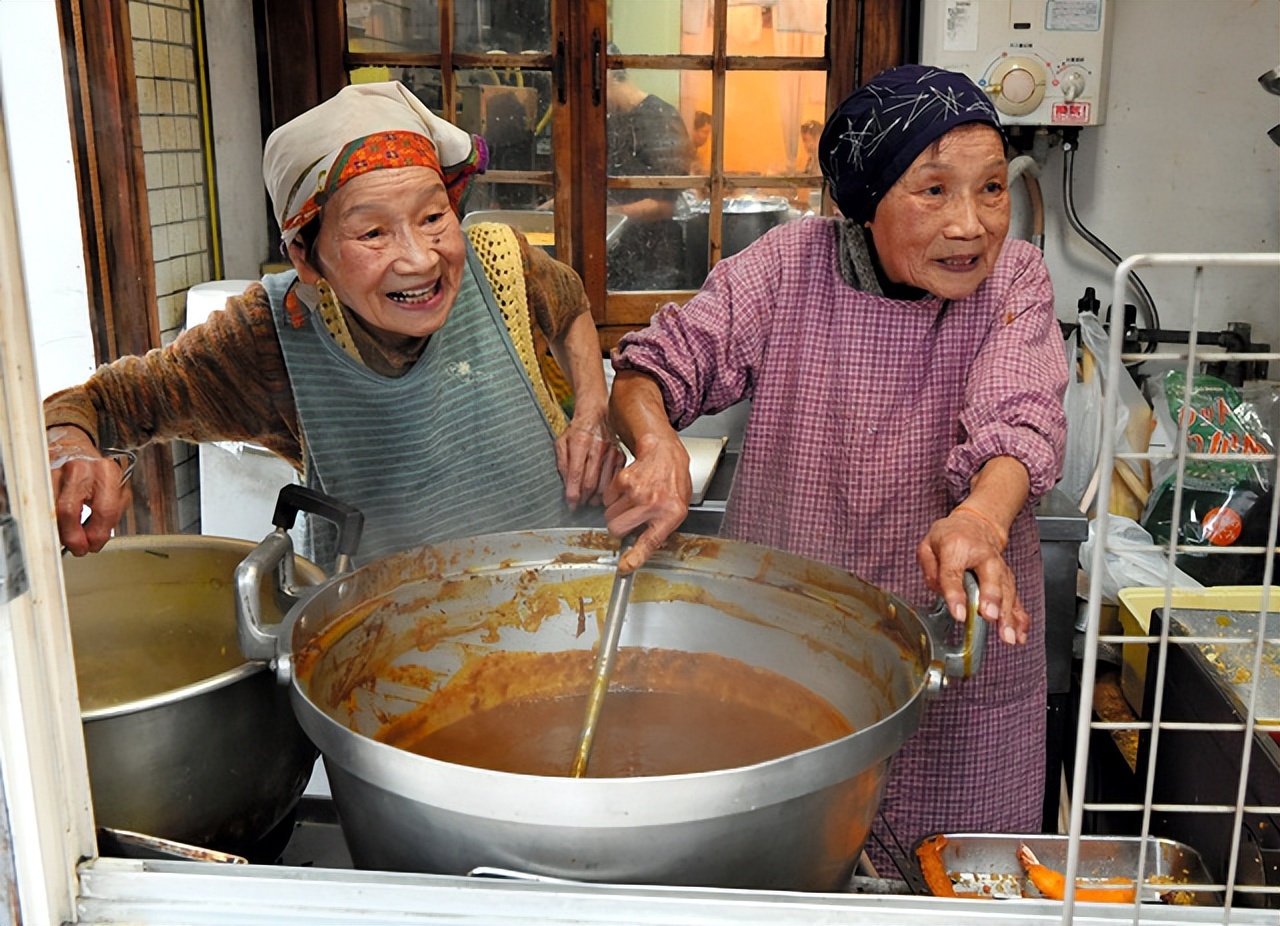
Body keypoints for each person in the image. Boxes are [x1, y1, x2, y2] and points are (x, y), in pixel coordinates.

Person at [602, 65, 1068, 870]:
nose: (971, 225)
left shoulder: (1014, 281)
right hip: (791, 651)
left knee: (947, 890)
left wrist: (981, 519)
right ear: (866, 199)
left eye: (991, 189)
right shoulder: (788, 267)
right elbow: (656, 366)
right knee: (783, 872)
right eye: (933, 191)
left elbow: (1017, 413)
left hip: (952, 658)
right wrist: (658, 443)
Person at [45, 80, 622, 568]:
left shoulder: (499, 263)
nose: (420, 258)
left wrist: (592, 415)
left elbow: (569, 304)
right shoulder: (270, 335)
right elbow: (101, 402)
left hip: (570, 588)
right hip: (393, 643)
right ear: (305, 257)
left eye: (432, 216)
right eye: (372, 232)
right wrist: (68, 452)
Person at [604, 44, 694, 290]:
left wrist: (607, 215)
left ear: (608, 74)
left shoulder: (660, 117)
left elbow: (664, 206)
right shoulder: (612, 119)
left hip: (655, 263)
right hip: (620, 258)